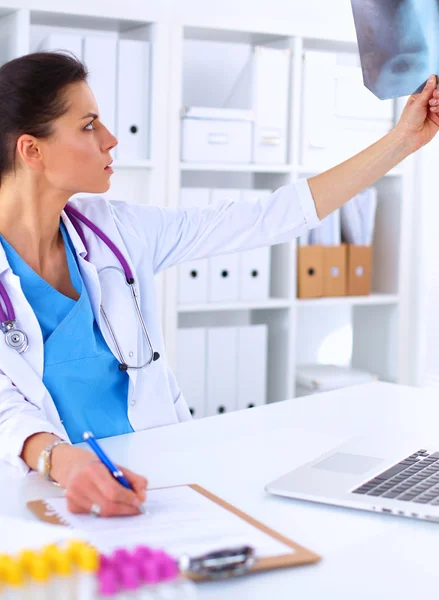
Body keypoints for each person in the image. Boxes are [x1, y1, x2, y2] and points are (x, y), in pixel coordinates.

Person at [0, 52, 438, 519]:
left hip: (158, 481)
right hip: (46, 497)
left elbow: (265, 220)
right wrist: (57, 459)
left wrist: (402, 141)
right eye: (88, 126)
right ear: (33, 150)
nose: (110, 140)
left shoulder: (117, 233)